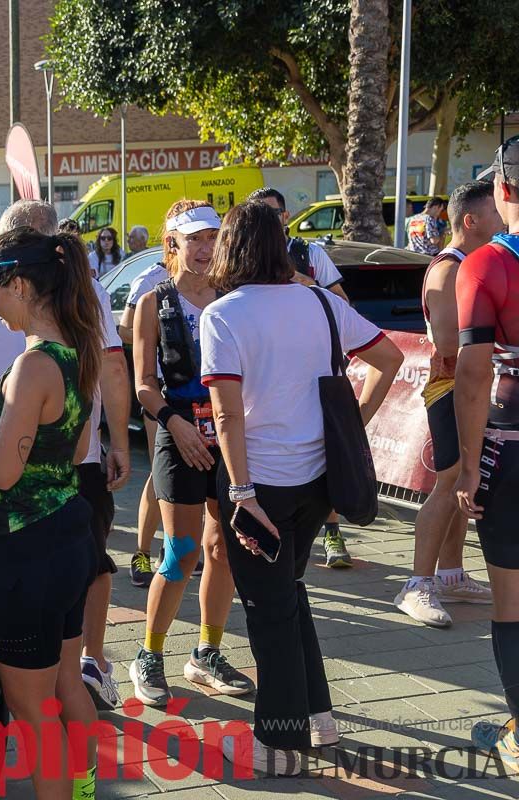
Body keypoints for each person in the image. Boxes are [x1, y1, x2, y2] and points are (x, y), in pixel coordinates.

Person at [202, 201, 401, 774]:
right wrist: (347, 429)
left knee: (269, 610)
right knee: (287, 593)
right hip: (316, 481)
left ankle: (280, 743)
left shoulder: (224, 314)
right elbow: (387, 358)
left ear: (230, 249)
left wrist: (241, 493)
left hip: (257, 482)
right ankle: (318, 718)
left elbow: (227, 413)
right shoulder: (319, 301)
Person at [0, 227, 105, 799]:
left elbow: (3, 473)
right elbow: (74, 450)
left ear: (23, 284)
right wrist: (6, 427)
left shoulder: (33, 364)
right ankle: (83, 791)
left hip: (29, 549)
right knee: (66, 685)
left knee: (33, 713)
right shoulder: (76, 350)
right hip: (71, 535)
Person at [129, 202, 253, 707]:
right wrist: (173, 424)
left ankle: (207, 652)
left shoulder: (234, 295)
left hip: (226, 431)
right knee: (180, 551)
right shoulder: (153, 300)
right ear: (172, 243)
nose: (205, 249)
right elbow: (143, 385)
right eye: (194, 239)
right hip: (177, 428)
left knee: (223, 544)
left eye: (211, 238)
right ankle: (149, 654)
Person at [395, 181, 499, 627]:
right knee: (449, 481)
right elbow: (446, 339)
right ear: (472, 221)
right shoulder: (448, 269)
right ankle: (416, 585)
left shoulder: (475, 263)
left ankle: (452, 575)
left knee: (465, 482)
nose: (505, 219)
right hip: (448, 388)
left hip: (470, 387)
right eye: (496, 213)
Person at [451, 139, 519, 773]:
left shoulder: (487, 266)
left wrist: (469, 467)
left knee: (512, 598)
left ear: (501, 194)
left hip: (512, 448)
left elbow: (473, 375)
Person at [247, 186, 352, 567]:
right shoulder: (247, 257)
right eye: (259, 213)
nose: (269, 220)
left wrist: (302, 284)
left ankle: (334, 534)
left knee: (325, 450)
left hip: (315, 368)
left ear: (287, 217)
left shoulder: (308, 253)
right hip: (271, 374)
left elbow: (342, 305)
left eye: (274, 213)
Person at [116, 212, 180, 589]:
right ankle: (141, 549)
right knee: (161, 470)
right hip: (160, 389)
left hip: (201, 390)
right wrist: (154, 340)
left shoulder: (215, 275)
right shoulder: (150, 277)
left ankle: (174, 548)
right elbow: (123, 328)